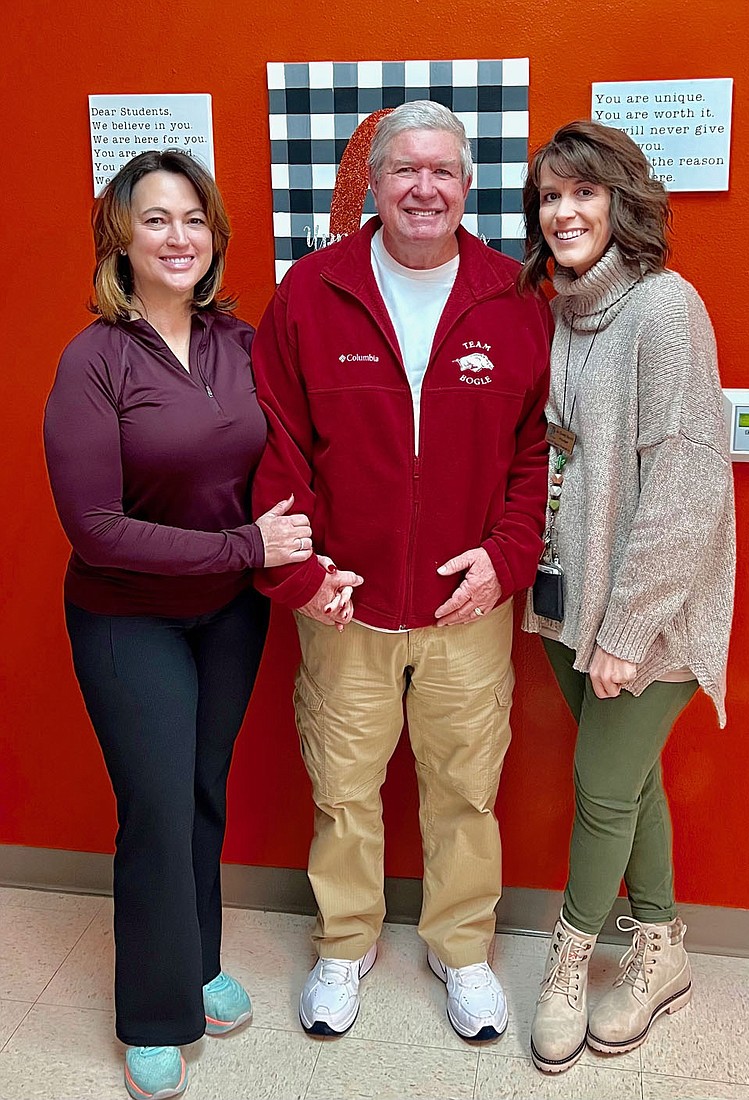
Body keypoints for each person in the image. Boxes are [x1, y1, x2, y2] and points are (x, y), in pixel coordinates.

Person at [251, 101, 552, 1042]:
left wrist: (505, 563)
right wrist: (305, 575)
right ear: (372, 182)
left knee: (466, 787)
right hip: (345, 603)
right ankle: (346, 941)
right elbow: (276, 446)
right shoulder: (311, 291)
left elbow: (536, 454)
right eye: (404, 171)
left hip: (469, 605)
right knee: (342, 786)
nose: (425, 189)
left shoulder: (512, 297)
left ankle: (462, 951)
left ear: (468, 185)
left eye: (444, 172)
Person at [44, 149, 313, 1100]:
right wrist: (248, 548)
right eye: (156, 219)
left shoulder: (239, 343)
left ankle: (196, 961)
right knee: (155, 805)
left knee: (200, 789)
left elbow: (293, 457)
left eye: (193, 218)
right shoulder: (95, 360)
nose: (178, 237)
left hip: (228, 620)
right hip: (129, 622)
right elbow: (98, 529)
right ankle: (154, 1014)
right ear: (121, 235)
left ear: (216, 236)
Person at [518, 120, 735, 1073]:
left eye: (582, 193)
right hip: (575, 604)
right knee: (631, 781)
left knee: (602, 791)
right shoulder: (565, 311)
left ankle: (572, 962)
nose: (563, 212)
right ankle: (663, 947)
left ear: (621, 203)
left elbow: (689, 485)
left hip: (648, 615)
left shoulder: (666, 308)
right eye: (549, 196)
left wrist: (628, 630)